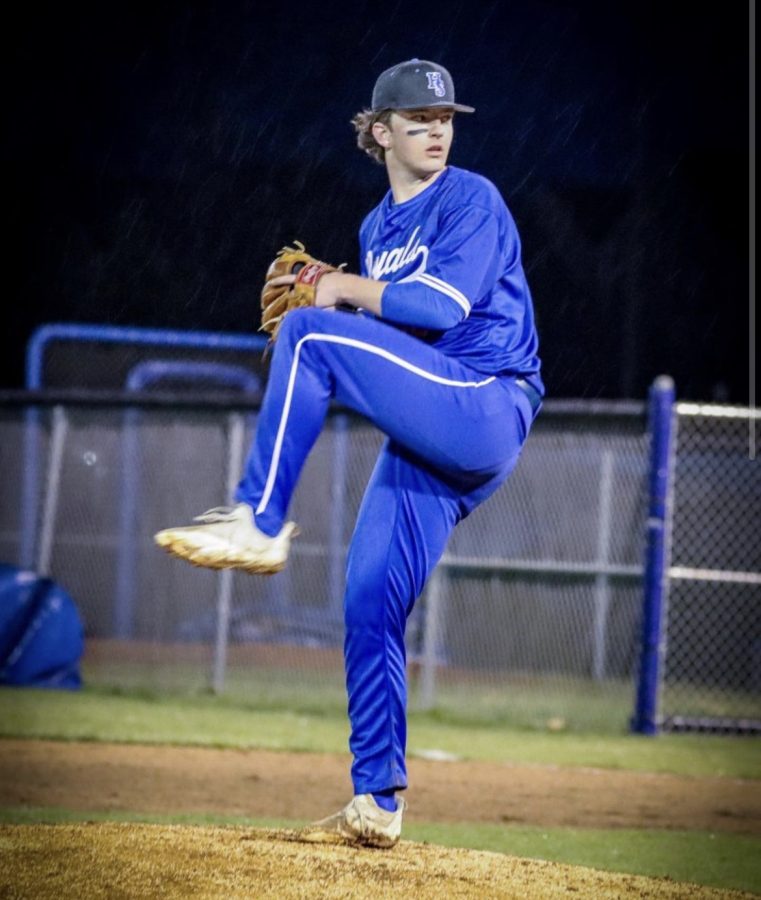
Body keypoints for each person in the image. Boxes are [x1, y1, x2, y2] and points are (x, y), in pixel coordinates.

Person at [154, 58, 544, 848]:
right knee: (368, 601)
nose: (436, 130)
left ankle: (259, 520)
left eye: (445, 119)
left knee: (307, 329)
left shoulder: (471, 198)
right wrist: (348, 291)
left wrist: (337, 288)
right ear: (377, 132)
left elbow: (439, 307)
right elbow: (388, 343)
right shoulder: (377, 229)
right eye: (417, 119)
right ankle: (377, 801)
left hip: (487, 398)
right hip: (433, 424)